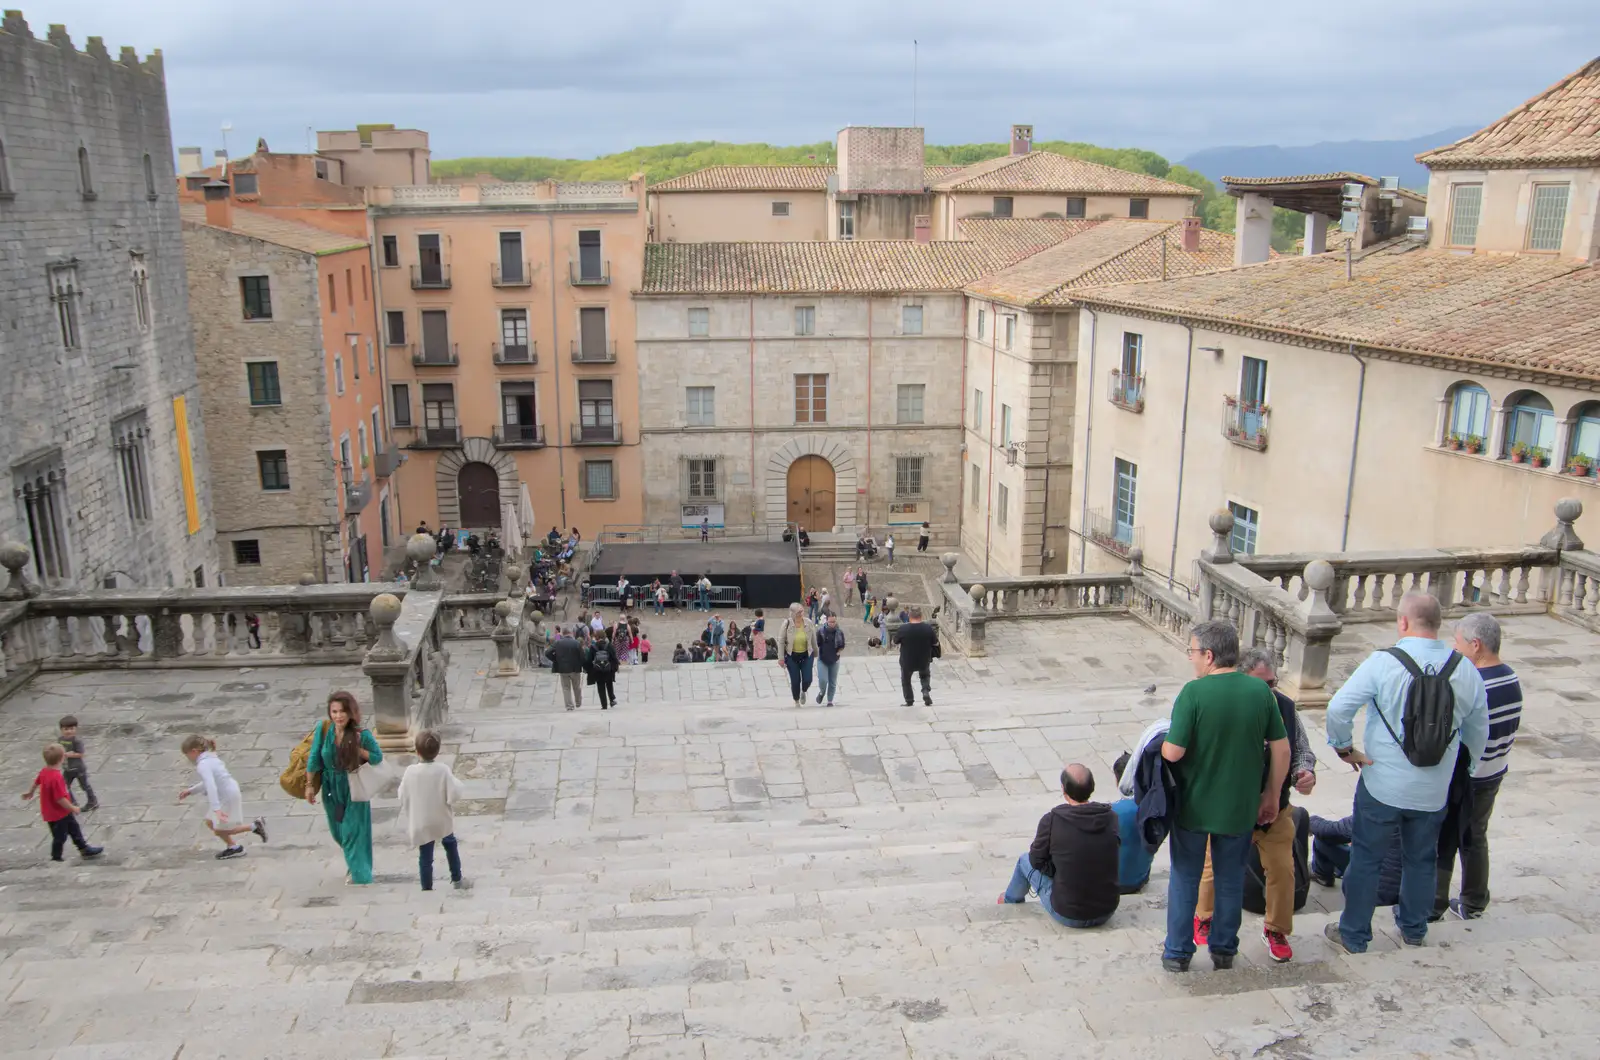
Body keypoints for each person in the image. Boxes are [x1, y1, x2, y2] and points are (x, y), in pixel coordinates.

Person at [1324, 591, 1488, 955]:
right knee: (1421, 858)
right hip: (1433, 788)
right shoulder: (1464, 669)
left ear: (1402, 622)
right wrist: (1469, 767)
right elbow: (1478, 731)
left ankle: (1354, 934)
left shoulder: (1383, 663)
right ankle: (1413, 928)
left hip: (1382, 782)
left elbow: (1339, 707)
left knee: (1367, 857)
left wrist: (1343, 747)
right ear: (1438, 624)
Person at [1160, 620, 1288, 973]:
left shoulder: (1193, 693)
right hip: (1239, 805)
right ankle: (1224, 950)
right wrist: (1271, 795)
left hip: (1194, 805)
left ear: (1210, 655)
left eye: (1193, 652)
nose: (1191, 659)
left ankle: (1178, 952)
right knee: (1230, 877)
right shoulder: (1261, 693)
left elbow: (1173, 752)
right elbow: (1281, 750)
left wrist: (1162, 739)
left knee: (1185, 876)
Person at [1193, 648, 1317, 963]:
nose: (1268, 692)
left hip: (1276, 811)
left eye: (1272, 684)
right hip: (1232, 807)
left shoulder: (1286, 708)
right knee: (1211, 866)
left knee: (1282, 868)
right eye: (1260, 685)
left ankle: (1276, 929)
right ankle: (1204, 916)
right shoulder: (1227, 708)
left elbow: (1301, 749)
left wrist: (1305, 772)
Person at [1433, 612, 1521, 921]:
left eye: (1458, 644)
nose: (1454, 650)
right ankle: (1473, 902)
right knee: (1475, 837)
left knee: (1446, 838)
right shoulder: (1511, 677)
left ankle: (1434, 903)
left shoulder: (1473, 684)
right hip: (1495, 771)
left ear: (1476, 645)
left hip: (1469, 776)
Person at [998, 764, 1121, 928]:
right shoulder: (1110, 817)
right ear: (1092, 787)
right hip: (1106, 910)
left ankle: (1010, 901)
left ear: (1064, 790)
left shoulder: (1052, 820)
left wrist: (1057, 871)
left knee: (1024, 861)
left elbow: (1036, 861)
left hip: (1068, 913)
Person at [305, 690, 383, 885]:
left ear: (350, 713)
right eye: (334, 711)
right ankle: (355, 862)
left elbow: (377, 757)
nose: (338, 716)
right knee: (338, 832)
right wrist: (309, 785)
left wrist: (357, 750)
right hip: (331, 788)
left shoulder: (361, 734)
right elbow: (314, 757)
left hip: (353, 786)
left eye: (342, 711)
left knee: (351, 833)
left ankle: (361, 877)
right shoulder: (323, 730)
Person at [398, 731, 466, 892]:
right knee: (450, 845)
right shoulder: (442, 770)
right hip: (441, 818)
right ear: (437, 751)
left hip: (421, 820)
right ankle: (456, 879)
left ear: (417, 751)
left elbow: (402, 794)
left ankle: (426, 887)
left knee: (425, 855)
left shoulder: (410, 772)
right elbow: (454, 793)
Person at [178, 735, 266, 859]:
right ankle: (233, 847)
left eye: (187, 755)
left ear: (194, 751)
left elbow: (211, 785)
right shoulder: (211, 757)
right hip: (230, 791)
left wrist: (217, 809)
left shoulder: (203, 764)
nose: (188, 758)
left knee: (218, 829)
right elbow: (209, 782)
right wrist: (191, 791)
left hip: (226, 796)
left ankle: (254, 827)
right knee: (210, 822)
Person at [24, 743, 104, 861]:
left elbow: (37, 781)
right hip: (59, 813)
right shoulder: (56, 777)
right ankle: (56, 857)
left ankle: (84, 848)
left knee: (74, 828)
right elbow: (60, 798)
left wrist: (30, 792)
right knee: (60, 836)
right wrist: (72, 807)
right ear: (62, 759)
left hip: (51, 811)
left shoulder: (45, 771)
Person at [1311, 811, 1402, 905]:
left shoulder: (1376, 810)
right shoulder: (1415, 813)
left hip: (1373, 891)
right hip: (1409, 891)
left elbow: (1331, 831)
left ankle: (1322, 875)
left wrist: (1309, 820)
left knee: (1323, 838)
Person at [1110, 752, 1155, 893]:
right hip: (1140, 879)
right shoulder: (1153, 808)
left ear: (1118, 781)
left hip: (1114, 883)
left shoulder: (1110, 812)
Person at [897, 605, 938, 707]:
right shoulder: (928, 628)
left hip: (907, 660)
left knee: (905, 680)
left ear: (909, 616)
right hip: (924, 659)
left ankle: (909, 700)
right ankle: (925, 691)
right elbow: (935, 643)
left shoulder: (903, 629)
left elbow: (895, 641)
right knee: (925, 675)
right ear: (921, 616)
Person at [56, 715, 98, 812]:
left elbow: (81, 754)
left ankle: (92, 801)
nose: (69, 731)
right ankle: (72, 803)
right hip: (67, 768)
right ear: (61, 730)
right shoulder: (60, 740)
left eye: (71, 729)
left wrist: (69, 755)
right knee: (64, 786)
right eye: (66, 729)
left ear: (76, 729)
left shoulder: (76, 741)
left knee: (84, 786)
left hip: (78, 768)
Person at [779, 602, 815, 707]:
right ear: (793, 613)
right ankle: (796, 699)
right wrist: (781, 658)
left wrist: (816, 652)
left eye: (802, 611)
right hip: (792, 656)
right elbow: (781, 641)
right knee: (795, 681)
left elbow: (813, 639)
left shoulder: (808, 623)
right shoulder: (787, 624)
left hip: (806, 655)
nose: (801, 613)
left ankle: (804, 691)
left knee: (808, 679)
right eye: (798, 612)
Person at [814, 613, 846, 707]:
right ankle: (821, 693)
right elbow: (817, 643)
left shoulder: (839, 632)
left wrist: (839, 652)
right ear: (827, 621)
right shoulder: (821, 631)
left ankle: (830, 700)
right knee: (823, 680)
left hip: (835, 659)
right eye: (830, 621)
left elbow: (842, 645)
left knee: (832, 681)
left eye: (834, 621)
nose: (832, 623)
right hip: (823, 659)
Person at [587, 632, 619, 710]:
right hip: (608, 669)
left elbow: (589, 660)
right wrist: (615, 668)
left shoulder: (593, 647)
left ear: (596, 637)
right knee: (609, 684)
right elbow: (614, 657)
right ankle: (612, 700)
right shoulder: (609, 645)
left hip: (598, 670)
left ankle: (604, 705)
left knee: (600, 687)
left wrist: (589, 670)